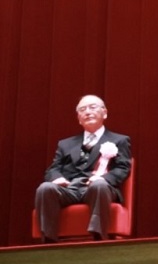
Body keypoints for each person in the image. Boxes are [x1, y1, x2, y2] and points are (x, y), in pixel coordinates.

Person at [35, 95, 132, 243]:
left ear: (104, 113)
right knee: (45, 188)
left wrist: (103, 178)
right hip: (70, 189)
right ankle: (48, 239)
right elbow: (52, 169)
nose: (87, 112)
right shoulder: (65, 144)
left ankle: (98, 235)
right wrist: (58, 179)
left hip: (99, 188)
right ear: (79, 118)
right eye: (82, 109)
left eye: (92, 107)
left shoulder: (119, 140)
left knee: (99, 185)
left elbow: (122, 168)